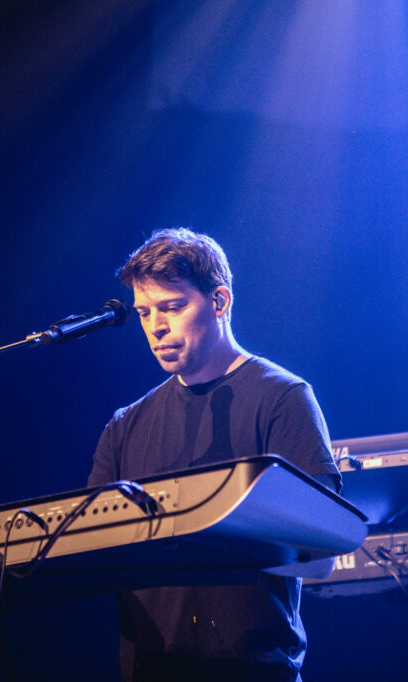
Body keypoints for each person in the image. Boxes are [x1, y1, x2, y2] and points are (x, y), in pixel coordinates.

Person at [88, 228, 341, 682]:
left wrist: (203, 540)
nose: (155, 326)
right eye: (144, 312)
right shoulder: (125, 426)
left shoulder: (283, 398)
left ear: (219, 301)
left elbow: (320, 554)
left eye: (172, 307)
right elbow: (91, 553)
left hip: (254, 671)